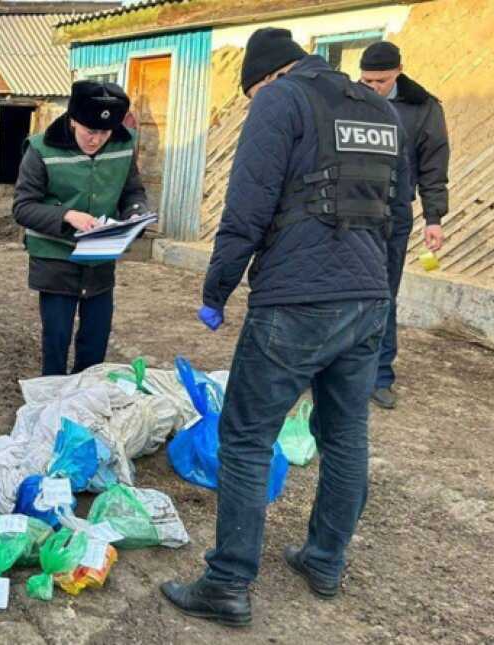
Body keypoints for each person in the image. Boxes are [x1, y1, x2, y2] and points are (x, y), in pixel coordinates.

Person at [161, 28, 412, 625]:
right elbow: (397, 212)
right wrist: (380, 291)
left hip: (297, 300)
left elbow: (248, 205)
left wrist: (217, 289)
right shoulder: (379, 110)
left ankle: (227, 583)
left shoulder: (281, 100)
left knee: (246, 438)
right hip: (367, 297)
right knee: (345, 435)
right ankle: (325, 559)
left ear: (268, 76)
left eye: (251, 94)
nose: (254, 104)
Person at [13, 80, 148, 376]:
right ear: (73, 120)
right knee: (57, 337)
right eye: (90, 131)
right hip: (55, 258)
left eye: (104, 132)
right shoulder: (41, 149)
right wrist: (67, 215)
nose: (96, 140)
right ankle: (53, 394)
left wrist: (136, 214)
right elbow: (23, 207)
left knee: (95, 338)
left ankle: (87, 392)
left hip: (100, 256)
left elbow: (132, 191)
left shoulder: (124, 145)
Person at [359, 41, 450, 409]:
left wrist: (434, 218)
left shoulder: (424, 108)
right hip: (349, 212)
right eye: (366, 80)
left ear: (398, 71)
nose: (373, 87)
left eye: (380, 81)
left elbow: (433, 167)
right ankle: (334, 371)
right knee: (340, 292)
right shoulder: (348, 99)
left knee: (383, 294)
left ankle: (380, 375)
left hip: (393, 216)